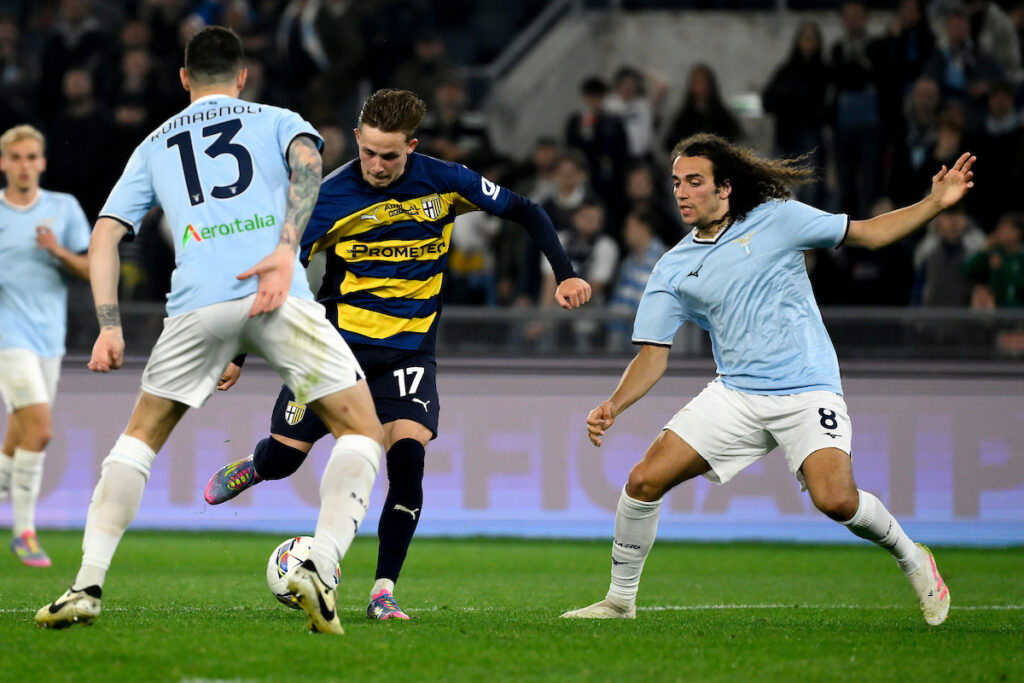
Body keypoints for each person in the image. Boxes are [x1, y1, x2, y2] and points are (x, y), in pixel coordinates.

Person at [35, 26, 384, 636]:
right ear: (242, 76)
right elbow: (310, 161)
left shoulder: (155, 143)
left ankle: (86, 585)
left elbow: (106, 233)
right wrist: (285, 249)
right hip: (277, 292)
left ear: (183, 78)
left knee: (140, 437)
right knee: (361, 430)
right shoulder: (276, 119)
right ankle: (321, 566)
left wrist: (109, 325)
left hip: (197, 303)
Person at [202, 88, 591, 620]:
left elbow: (528, 210)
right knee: (285, 459)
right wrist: (237, 353)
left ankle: (382, 591)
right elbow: (274, 273)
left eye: (390, 155)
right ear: (356, 139)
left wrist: (565, 273)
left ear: (411, 146)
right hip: (334, 351)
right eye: (369, 152)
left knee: (407, 465)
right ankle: (255, 465)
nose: (378, 165)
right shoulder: (325, 199)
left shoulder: (445, 181)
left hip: (408, 355)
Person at [561, 133, 974, 626]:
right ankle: (619, 602)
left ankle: (913, 557)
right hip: (736, 393)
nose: (682, 192)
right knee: (642, 481)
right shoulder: (672, 268)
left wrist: (933, 203)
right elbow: (652, 356)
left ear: (725, 187)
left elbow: (868, 234)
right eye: (676, 183)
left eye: (695, 181)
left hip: (807, 387)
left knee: (836, 500)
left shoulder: (779, 218)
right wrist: (614, 404)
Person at [0, 124, 90, 567]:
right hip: (7, 337)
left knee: (20, 435)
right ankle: (24, 533)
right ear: (4, 163)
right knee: (40, 430)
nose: (24, 165)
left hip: (49, 339)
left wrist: (58, 251)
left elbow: (92, 268)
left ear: (43, 162)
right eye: (16, 157)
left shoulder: (63, 208)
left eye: (31, 157)